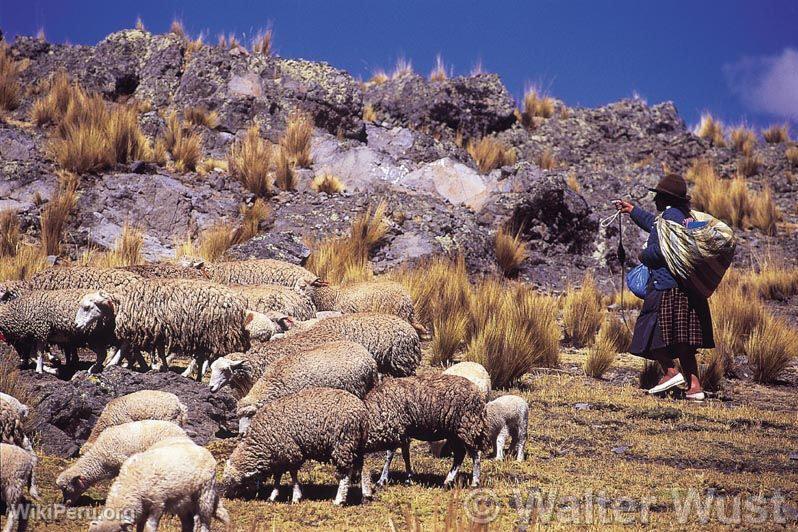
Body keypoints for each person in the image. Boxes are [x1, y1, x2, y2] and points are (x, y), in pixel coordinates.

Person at [614, 173, 714, 401]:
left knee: (648, 334)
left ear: (666, 198)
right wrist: (632, 211)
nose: (655, 200)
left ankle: (670, 373)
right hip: (688, 289)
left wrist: (642, 254)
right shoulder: (684, 217)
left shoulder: (667, 218)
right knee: (683, 342)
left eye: (658, 196)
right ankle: (695, 387)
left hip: (664, 287)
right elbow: (654, 225)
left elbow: (659, 251)